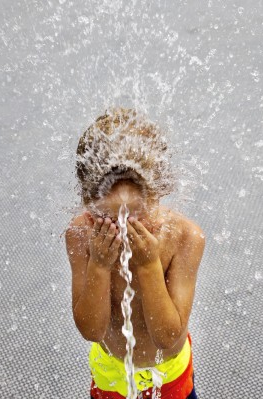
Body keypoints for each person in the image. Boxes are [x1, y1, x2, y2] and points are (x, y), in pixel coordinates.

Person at [65, 108, 205, 399]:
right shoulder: (81, 234)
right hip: (111, 373)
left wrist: (150, 265)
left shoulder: (184, 238)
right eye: (110, 219)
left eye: (137, 216)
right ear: (89, 205)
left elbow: (167, 337)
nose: (126, 229)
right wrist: (100, 267)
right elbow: (92, 330)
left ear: (159, 193)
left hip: (168, 375)